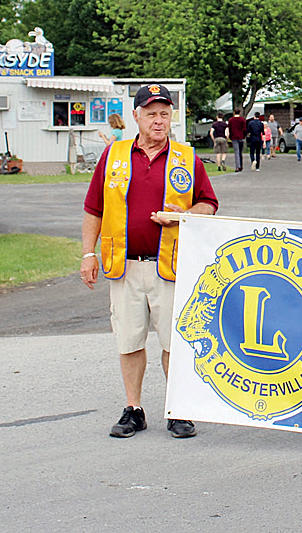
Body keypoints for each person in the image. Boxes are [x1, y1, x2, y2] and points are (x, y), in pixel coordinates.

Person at [80, 84, 219, 439]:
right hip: (123, 265)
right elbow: (94, 208)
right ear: (136, 116)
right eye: (151, 113)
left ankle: (178, 408)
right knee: (129, 340)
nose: (159, 121)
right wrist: (87, 254)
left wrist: (185, 214)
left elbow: (209, 204)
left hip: (170, 266)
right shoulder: (114, 155)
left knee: (174, 342)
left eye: (164, 113)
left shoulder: (187, 158)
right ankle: (134, 409)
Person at [227, 107, 246, 172]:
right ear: (240, 113)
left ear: (234, 113)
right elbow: (244, 129)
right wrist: (244, 136)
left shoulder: (231, 120)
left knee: (236, 152)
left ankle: (237, 166)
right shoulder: (242, 120)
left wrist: (230, 136)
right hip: (241, 137)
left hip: (234, 137)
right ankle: (241, 165)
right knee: (240, 152)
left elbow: (229, 129)